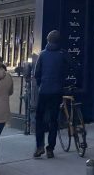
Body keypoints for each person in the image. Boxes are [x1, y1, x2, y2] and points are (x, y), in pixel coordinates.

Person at [32, 31, 66, 159]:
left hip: (44, 91)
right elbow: (73, 66)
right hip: (57, 91)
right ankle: (50, 148)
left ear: (48, 40)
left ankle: (39, 146)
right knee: (53, 120)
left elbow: (37, 73)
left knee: (39, 119)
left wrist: (42, 84)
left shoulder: (43, 54)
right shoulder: (62, 54)